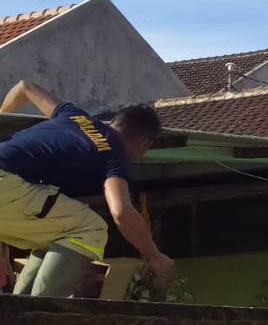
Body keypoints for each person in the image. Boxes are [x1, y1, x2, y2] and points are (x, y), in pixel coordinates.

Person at [0, 78, 175, 296]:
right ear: (144, 143)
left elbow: (25, 87)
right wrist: (155, 256)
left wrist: (2, 116)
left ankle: (17, 308)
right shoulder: (112, 156)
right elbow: (121, 212)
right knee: (91, 228)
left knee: (57, 230)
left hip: (9, 181)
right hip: (6, 182)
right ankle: (41, 311)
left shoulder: (75, 116)